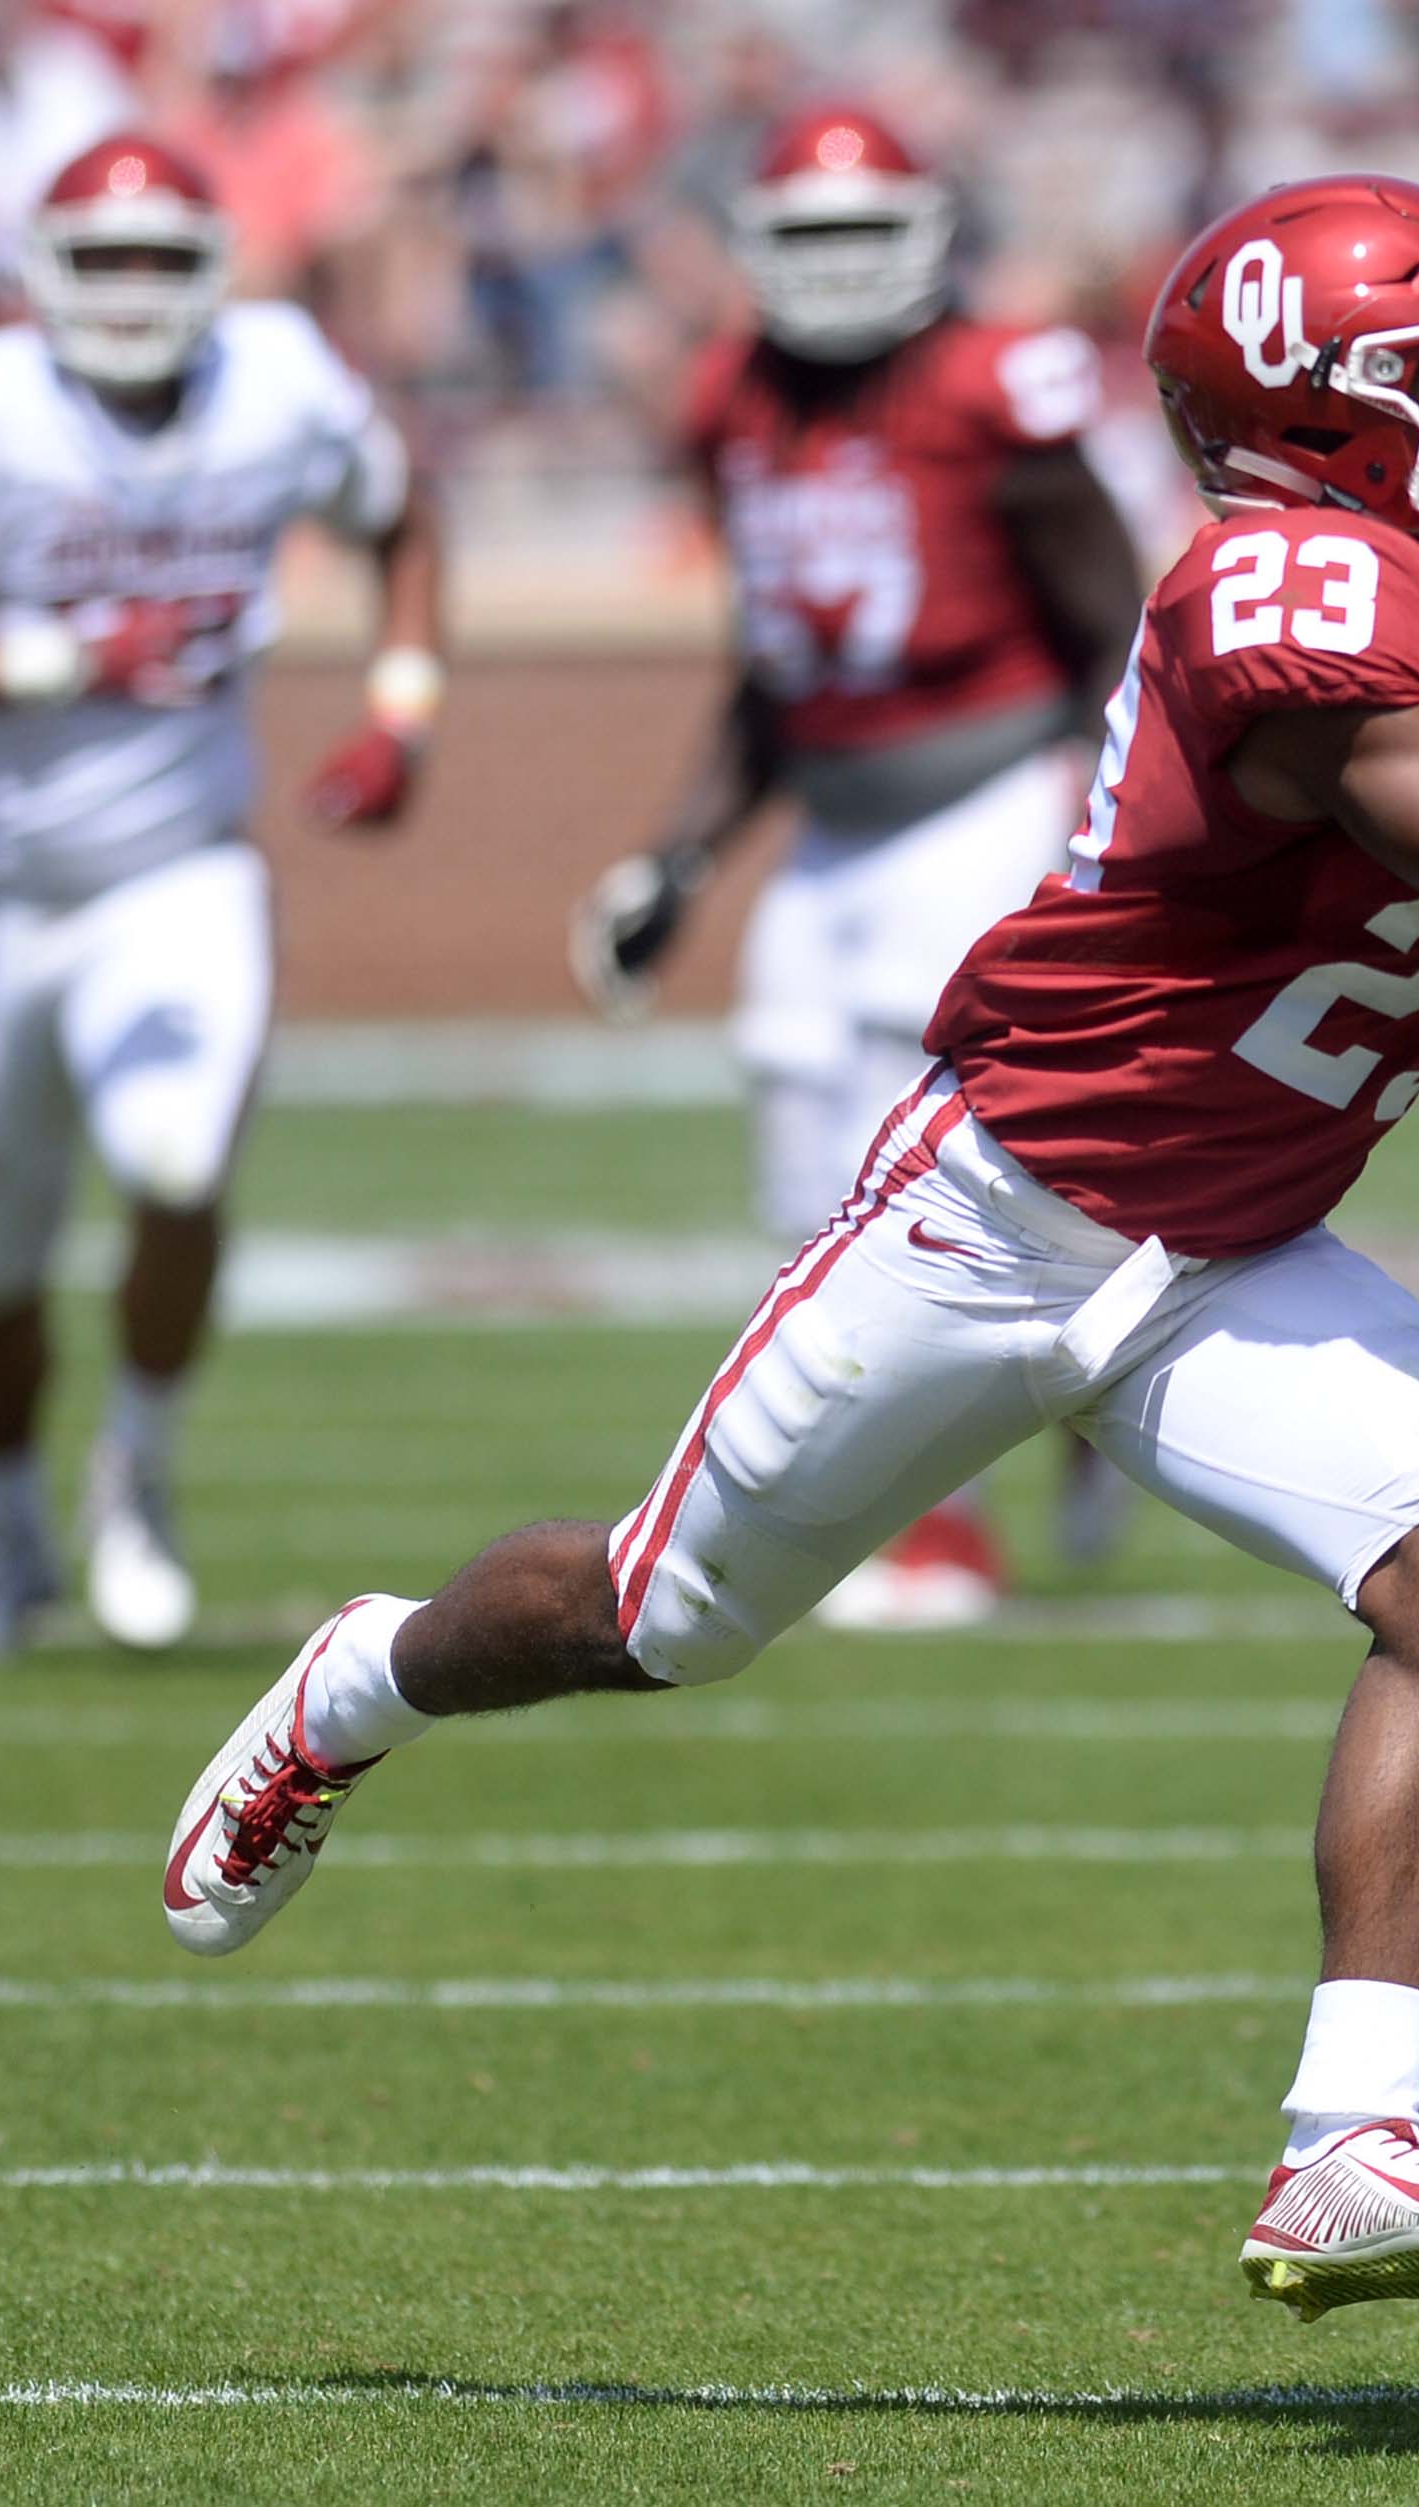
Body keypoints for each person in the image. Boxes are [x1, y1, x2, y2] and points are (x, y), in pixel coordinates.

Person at [160, 176, 1419, 2319]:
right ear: (1314, 439)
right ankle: (358, 1681)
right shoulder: (1277, 596)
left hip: (1241, 1245)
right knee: (661, 1609)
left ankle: (1349, 2143)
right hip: (1003, 1216)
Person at [0, 132, 445, 1665]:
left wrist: (401, 703)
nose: (128, 292)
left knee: (176, 1159)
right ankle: (5, 1535)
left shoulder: (280, 377)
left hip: (181, 871)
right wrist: (69, 655)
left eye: (157, 261)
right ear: (38, 274)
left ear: (213, 274)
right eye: (98, 260)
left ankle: (135, 1473)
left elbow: (401, 514)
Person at [570, 104, 1145, 1623]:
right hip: (828, 820)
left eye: (857, 232)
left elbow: (1116, 628)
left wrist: (1113, 843)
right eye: (804, 235)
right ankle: (899, 1497)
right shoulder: (731, 399)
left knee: (929, 1168)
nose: (831, 269)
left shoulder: (987, 383)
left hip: (980, 794)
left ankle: (954, 1520)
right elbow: (769, 669)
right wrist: (677, 862)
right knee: (796, 1164)